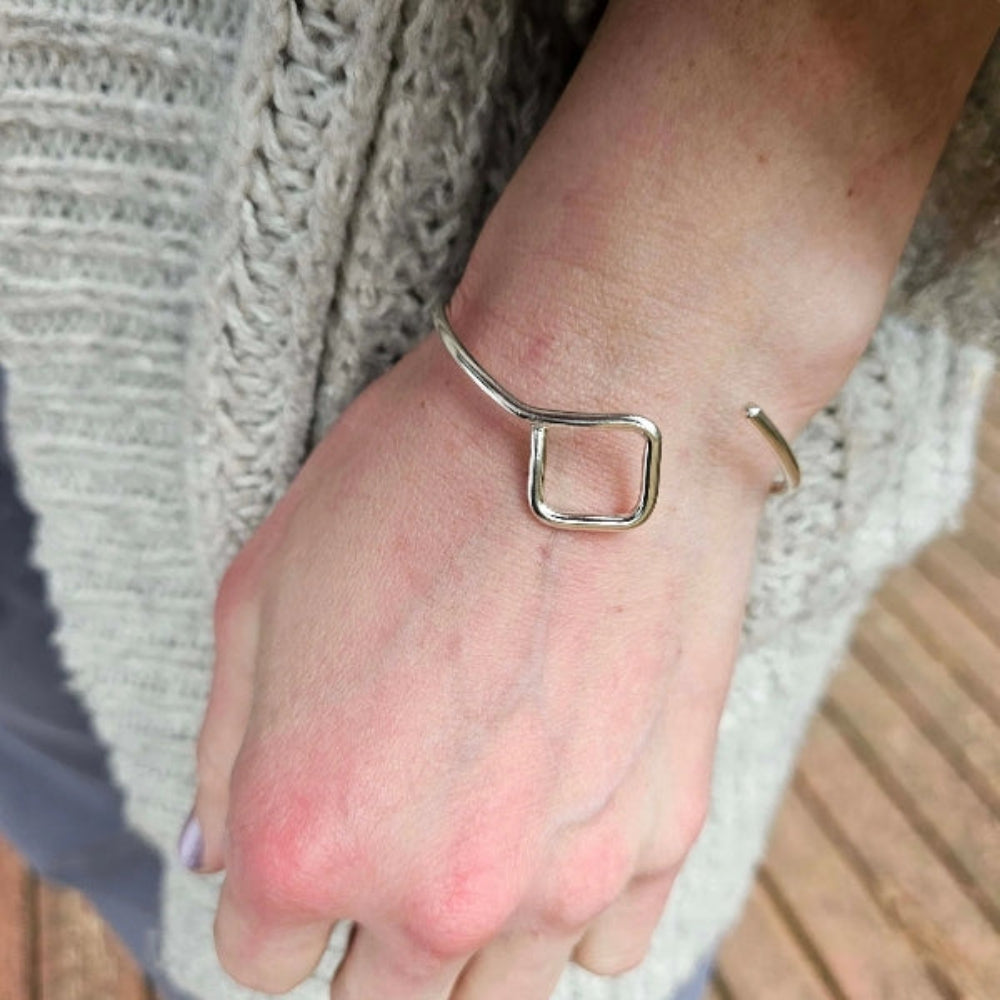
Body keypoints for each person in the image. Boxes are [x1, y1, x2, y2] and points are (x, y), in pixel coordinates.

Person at [1, 2, 998, 999]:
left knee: (444, 917)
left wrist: (635, 353)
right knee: (97, 836)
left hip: (480, 467)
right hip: (51, 389)